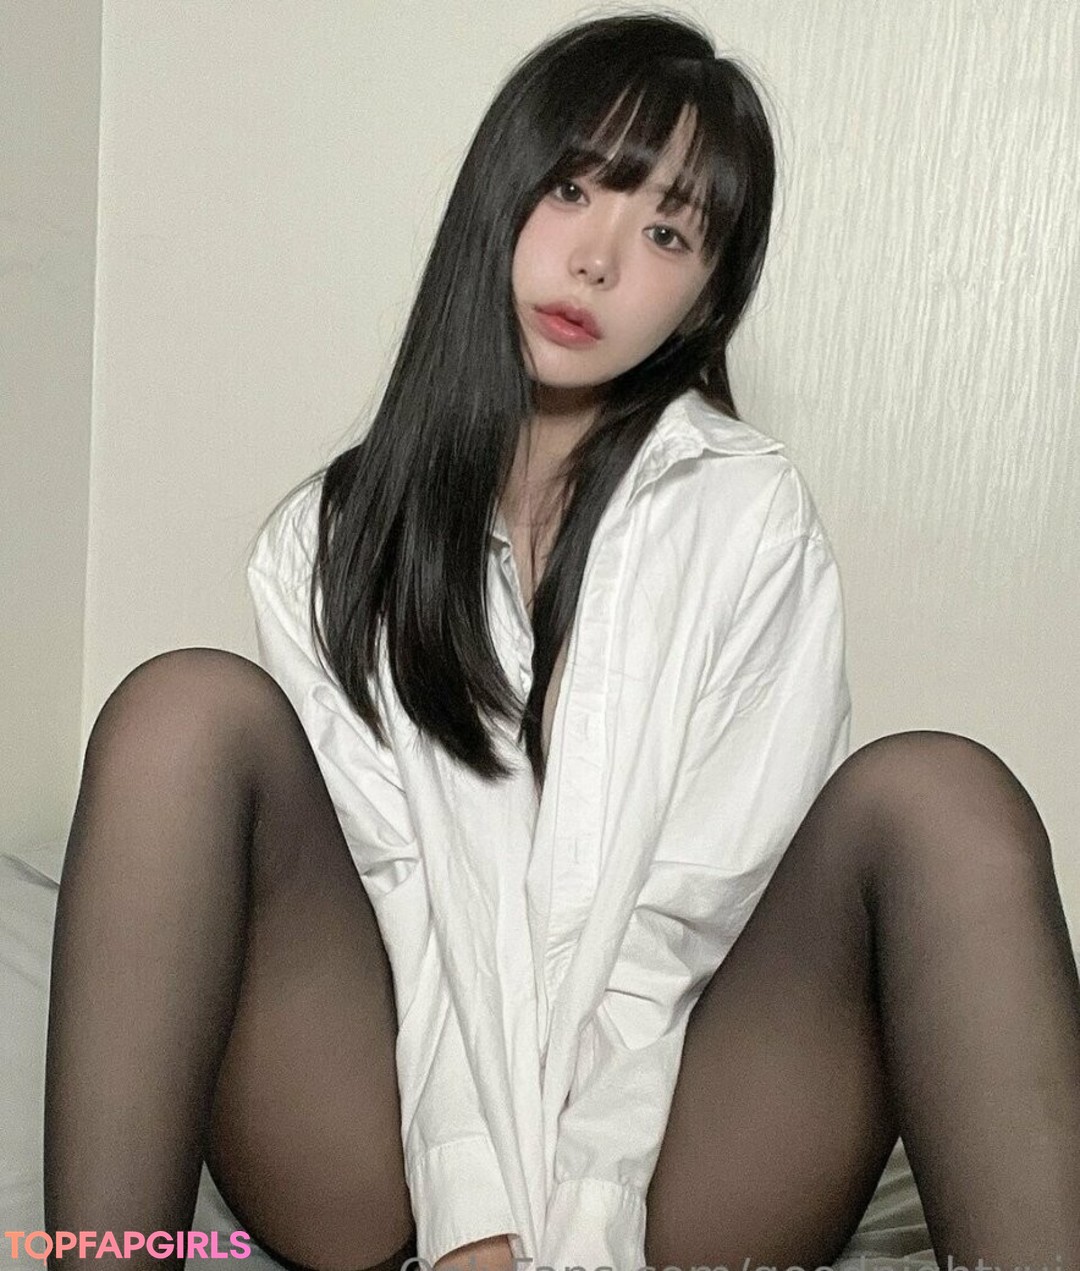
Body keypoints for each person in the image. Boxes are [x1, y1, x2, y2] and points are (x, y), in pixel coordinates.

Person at [43, 12, 1080, 1271]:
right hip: (376, 1133)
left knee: (942, 791)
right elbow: (409, 901)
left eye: (667, 233)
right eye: (575, 188)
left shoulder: (748, 517)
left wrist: (584, 1224)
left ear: (706, 300)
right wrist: (476, 1222)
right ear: (500, 194)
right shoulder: (325, 540)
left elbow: (685, 919)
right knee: (180, 710)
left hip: (680, 1147)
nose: (597, 259)